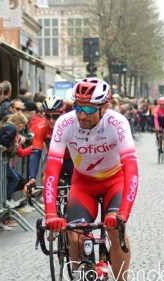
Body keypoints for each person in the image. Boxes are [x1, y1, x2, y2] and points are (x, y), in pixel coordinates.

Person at [43, 78, 138, 281]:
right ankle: (79, 275)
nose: (81, 115)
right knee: (75, 236)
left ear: (105, 107)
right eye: (78, 107)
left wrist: (123, 213)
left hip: (115, 181)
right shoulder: (65, 123)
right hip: (84, 184)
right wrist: (51, 213)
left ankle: (122, 278)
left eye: (88, 110)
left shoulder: (117, 123)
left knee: (115, 231)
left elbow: (131, 170)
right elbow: (52, 171)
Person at [29, 96, 71, 186]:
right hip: (53, 158)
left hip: (71, 159)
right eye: (48, 116)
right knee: (46, 181)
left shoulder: (71, 126)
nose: (51, 120)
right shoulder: (41, 127)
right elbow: (36, 153)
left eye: (55, 116)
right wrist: (32, 179)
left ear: (63, 114)